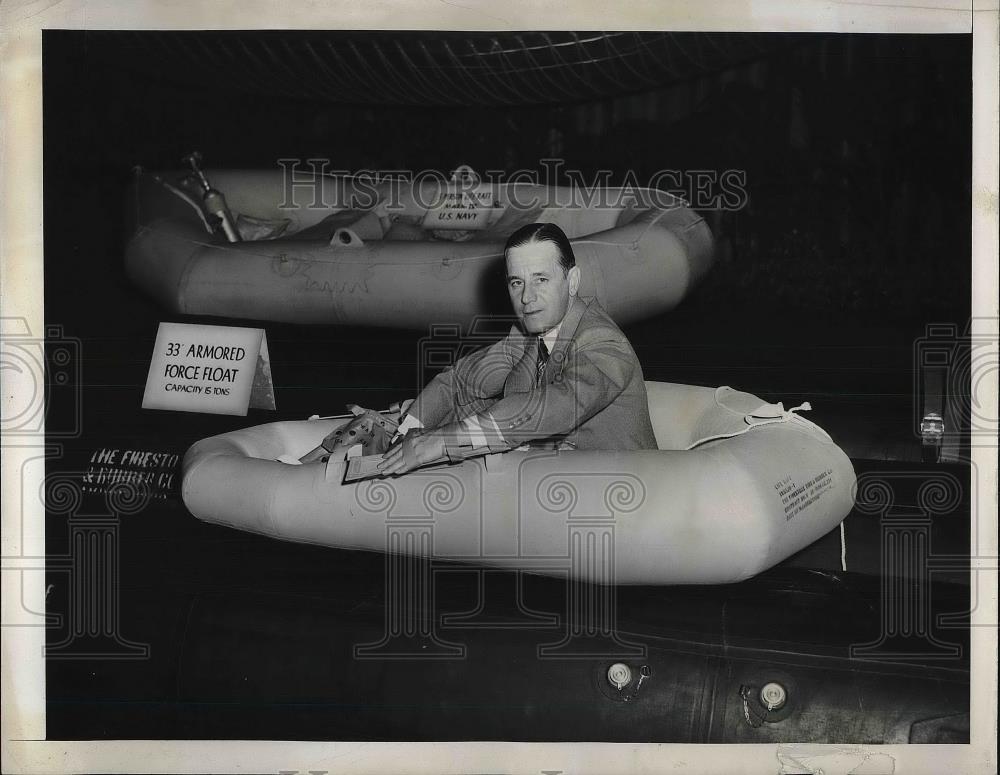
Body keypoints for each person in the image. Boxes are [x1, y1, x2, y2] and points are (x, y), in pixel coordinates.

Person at [378, 222, 657, 476]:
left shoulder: (604, 343)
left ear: (572, 282)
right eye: (517, 283)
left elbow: (555, 404)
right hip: (562, 477)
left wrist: (443, 440)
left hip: (627, 491)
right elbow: (460, 380)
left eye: (541, 280)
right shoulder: (528, 331)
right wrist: (406, 431)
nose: (526, 297)